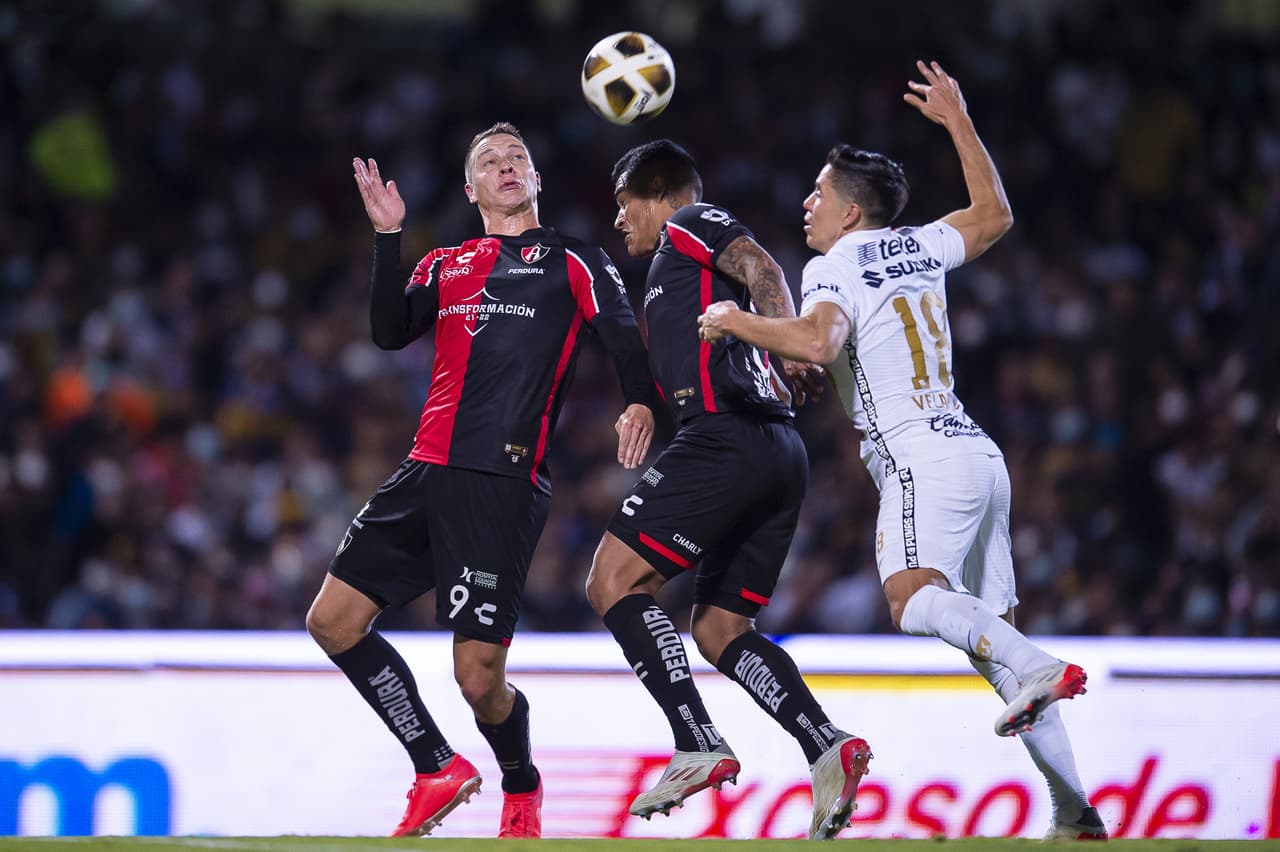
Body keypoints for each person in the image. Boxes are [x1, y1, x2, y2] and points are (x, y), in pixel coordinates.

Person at [697, 61, 1106, 840]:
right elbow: (994, 214)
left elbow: (819, 340)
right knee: (989, 642)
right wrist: (957, 119)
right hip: (978, 455)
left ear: (851, 213)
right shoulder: (919, 247)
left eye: (819, 194)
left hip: (920, 457)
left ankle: (1041, 668)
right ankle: (1076, 811)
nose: (807, 204)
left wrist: (735, 319)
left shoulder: (834, 263)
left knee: (913, 600)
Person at [306, 122, 655, 839]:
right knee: (331, 622)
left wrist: (642, 400)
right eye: (490, 161)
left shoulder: (574, 260)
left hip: (500, 480)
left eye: (518, 158)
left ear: (535, 181)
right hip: (423, 470)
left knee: (477, 680)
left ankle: (521, 786)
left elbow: (624, 334)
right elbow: (388, 331)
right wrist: (386, 238)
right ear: (470, 189)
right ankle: (436, 765)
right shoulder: (446, 261)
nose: (506, 166)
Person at [584, 139, 872, 842]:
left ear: (657, 191)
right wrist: (645, 402)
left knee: (611, 581)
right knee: (718, 629)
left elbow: (761, 265)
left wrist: (784, 340)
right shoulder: (666, 278)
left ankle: (695, 739)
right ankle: (824, 743)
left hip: (726, 438)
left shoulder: (690, 223)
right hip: (777, 452)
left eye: (624, 205)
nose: (619, 222)